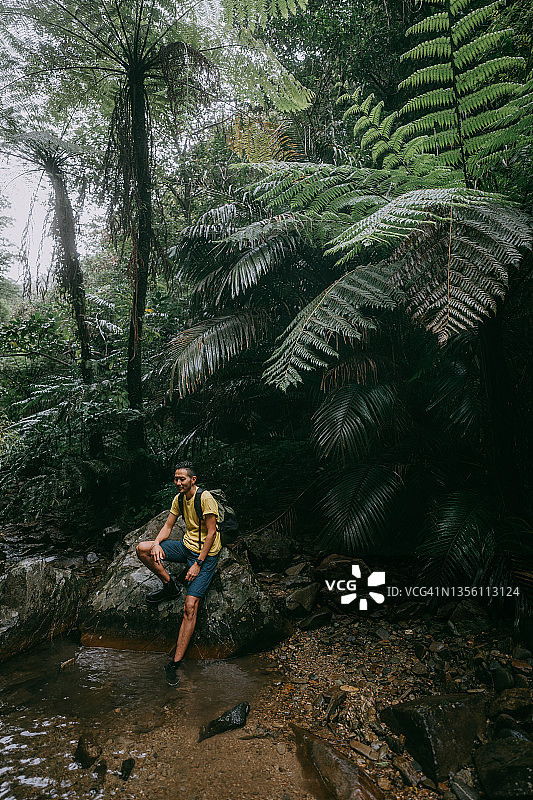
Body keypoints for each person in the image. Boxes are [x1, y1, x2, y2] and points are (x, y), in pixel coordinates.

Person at [135, 462, 221, 685]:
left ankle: (175, 664)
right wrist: (156, 544)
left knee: (190, 606)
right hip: (186, 546)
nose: (178, 483)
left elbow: (211, 534)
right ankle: (169, 585)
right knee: (142, 549)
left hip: (206, 554)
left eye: (182, 479)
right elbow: (168, 526)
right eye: (176, 479)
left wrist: (197, 564)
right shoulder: (179, 499)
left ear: (193, 480)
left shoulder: (206, 498)